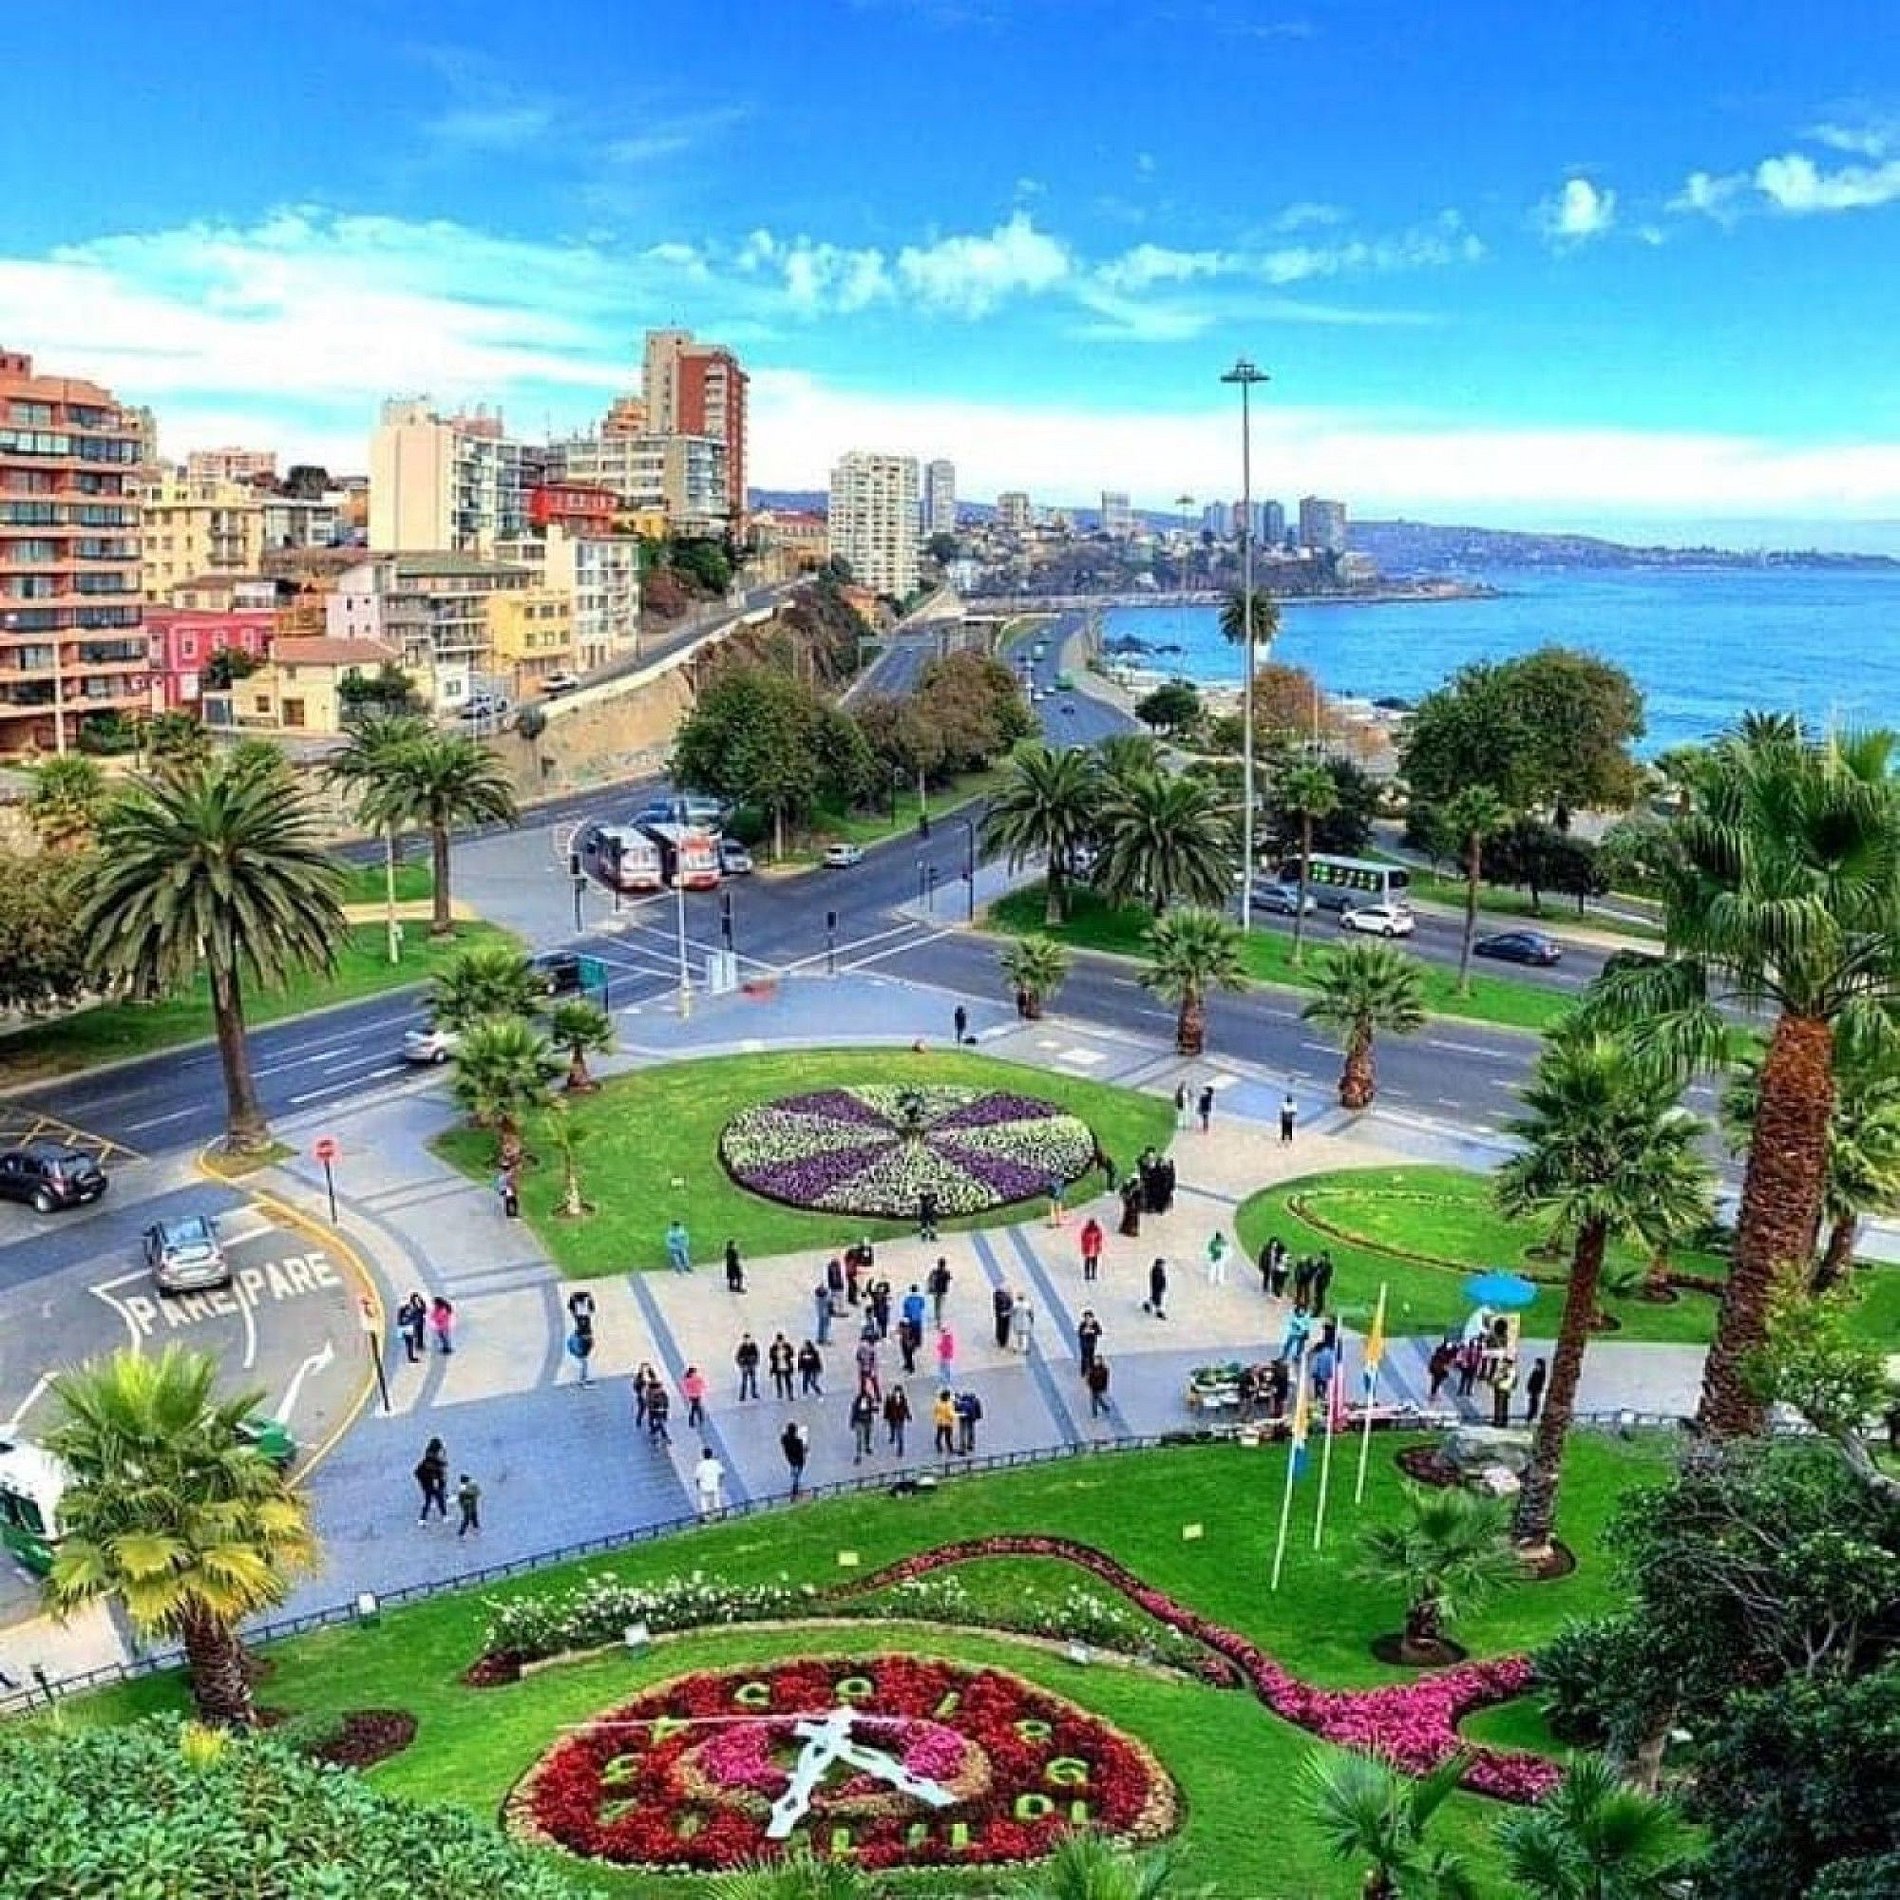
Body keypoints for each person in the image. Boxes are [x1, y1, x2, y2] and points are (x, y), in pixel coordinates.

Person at [414, 1437, 449, 1523]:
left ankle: (422, 1519)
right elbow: (437, 1471)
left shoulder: (427, 1459)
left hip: (426, 1485)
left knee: (428, 1501)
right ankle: (444, 1516)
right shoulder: (433, 1463)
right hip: (433, 1485)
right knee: (440, 1500)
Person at [694, 1446, 726, 1518]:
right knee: (716, 1502)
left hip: (704, 1487)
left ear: (703, 1455)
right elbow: (722, 1473)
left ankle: (706, 1517)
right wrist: (720, 1482)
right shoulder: (715, 1463)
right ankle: (718, 1515)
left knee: (704, 1503)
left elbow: (697, 1477)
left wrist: (698, 1486)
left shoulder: (700, 1465)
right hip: (714, 1485)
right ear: (711, 1454)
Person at [780, 1420, 809, 1497]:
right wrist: (805, 1449)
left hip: (791, 1459)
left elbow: (783, 1438)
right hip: (799, 1460)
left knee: (794, 1471)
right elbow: (803, 1451)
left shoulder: (784, 1438)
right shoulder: (798, 1441)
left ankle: (795, 1485)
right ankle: (795, 1489)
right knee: (797, 1474)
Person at [849, 1387, 878, 1463]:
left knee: (867, 1435)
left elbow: (871, 1408)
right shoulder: (857, 1402)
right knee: (859, 1438)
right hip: (859, 1421)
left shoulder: (869, 1400)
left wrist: (874, 1409)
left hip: (868, 1420)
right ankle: (858, 1455)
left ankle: (867, 1447)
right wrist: (852, 1422)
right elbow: (854, 1412)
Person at [397, 1292, 428, 1364]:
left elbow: (424, 1311)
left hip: (413, 1325)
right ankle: (411, 1357)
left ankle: (414, 1352)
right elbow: (401, 1318)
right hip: (409, 1326)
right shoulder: (409, 1308)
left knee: (413, 1340)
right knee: (409, 1342)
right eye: (415, 1299)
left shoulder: (416, 1307)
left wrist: (421, 1302)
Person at [884, 1384, 912, 1456]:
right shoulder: (889, 1398)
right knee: (892, 1428)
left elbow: (905, 1407)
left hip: (900, 1419)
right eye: (896, 1391)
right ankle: (892, 1437)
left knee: (900, 1435)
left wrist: (908, 1415)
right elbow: (886, 1408)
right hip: (892, 1418)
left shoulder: (903, 1398)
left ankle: (900, 1450)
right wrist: (886, 1417)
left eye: (899, 1391)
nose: (898, 1393)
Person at [1491, 1357, 1517, 1429]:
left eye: (1504, 1362)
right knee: (1503, 1407)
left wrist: (1495, 1380)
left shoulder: (1506, 1371)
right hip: (1504, 1390)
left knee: (1499, 1407)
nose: (1503, 1364)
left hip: (1502, 1389)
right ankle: (1503, 1421)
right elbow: (1515, 1382)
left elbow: (1499, 1378)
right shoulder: (1512, 1371)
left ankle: (1498, 1421)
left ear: (1508, 1364)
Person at [1309, 1339, 1337, 1406]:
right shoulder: (1331, 1352)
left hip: (1318, 1375)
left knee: (1317, 1389)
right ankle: (1323, 1398)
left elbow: (1316, 1365)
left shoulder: (1318, 1354)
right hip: (1326, 1375)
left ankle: (1318, 1400)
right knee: (1324, 1388)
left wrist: (1313, 1374)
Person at [955, 1388, 982, 1455]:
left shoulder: (961, 1401)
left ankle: (962, 1446)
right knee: (971, 1430)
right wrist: (978, 1417)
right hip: (971, 1417)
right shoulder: (975, 1400)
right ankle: (970, 1444)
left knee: (962, 1432)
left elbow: (956, 1409)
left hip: (962, 1418)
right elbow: (978, 1409)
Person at [1427, 1339, 1456, 1404]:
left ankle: (1434, 1394)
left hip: (1440, 1369)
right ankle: (1433, 1395)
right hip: (1438, 1369)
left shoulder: (1443, 1351)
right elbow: (1435, 1360)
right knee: (1436, 1382)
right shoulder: (1441, 1352)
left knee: (1437, 1382)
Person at [769, 1333, 795, 1402]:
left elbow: (792, 1354)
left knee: (788, 1381)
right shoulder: (774, 1346)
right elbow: (771, 1356)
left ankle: (790, 1394)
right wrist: (776, 1355)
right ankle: (780, 1392)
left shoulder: (787, 1345)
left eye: (780, 1340)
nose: (780, 1342)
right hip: (777, 1366)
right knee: (778, 1380)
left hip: (786, 1365)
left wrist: (786, 1353)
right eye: (778, 1341)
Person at [854, 1333, 881, 1401]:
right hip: (871, 1368)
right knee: (874, 1382)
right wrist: (874, 1368)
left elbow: (858, 1357)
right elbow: (873, 1359)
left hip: (863, 1368)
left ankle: (863, 1394)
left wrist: (862, 1362)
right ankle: (878, 1396)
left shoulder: (861, 1347)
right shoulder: (872, 1348)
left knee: (863, 1382)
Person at [1078, 1215, 1104, 1283]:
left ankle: (1088, 1275)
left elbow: (1083, 1239)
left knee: (1088, 1263)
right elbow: (1099, 1239)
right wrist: (1099, 1247)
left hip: (1088, 1249)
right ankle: (1093, 1275)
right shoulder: (1097, 1230)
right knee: (1093, 1263)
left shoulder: (1086, 1230)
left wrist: (1083, 1247)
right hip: (1094, 1249)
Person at [455, 1471, 482, 1537]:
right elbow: (461, 1497)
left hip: (470, 1504)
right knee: (468, 1519)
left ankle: (474, 1530)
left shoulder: (471, 1484)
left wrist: (468, 1494)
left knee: (472, 1518)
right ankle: (462, 1533)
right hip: (467, 1504)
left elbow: (478, 1493)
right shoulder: (463, 1486)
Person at [927, 1257, 952, 1329]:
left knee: (937, 1307)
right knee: (939, 1307)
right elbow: (949, 1280)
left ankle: (938, 1321)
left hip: (937, 1292)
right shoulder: (946, 1272)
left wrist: (930, 1288)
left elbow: (930, 1279)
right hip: (942, 1292)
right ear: (944, 1264)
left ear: (938, 1264)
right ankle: (938, 1321)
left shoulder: (935, 1272)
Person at [735, 1331, 761, 1401]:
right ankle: (742, 1396)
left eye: (747, 1338)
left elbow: (757, 1355)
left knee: (753, 1381)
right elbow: (737, 1357)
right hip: (745, 1366)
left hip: (751, 1366)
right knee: (744, 1381)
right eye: (745, 1339)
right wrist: (741, 1365)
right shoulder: (742, 1347)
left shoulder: (753, 1346)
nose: (746, 1340)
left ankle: (753, 1393)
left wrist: (755, 1363)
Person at [1077, 1309, 1103, 1376]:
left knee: (1091, 1356)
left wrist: (1093, 1331)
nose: (1087, 1319)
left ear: (1092, 1317)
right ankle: (1083, 1371)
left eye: (1089, 1317)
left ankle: (1091, 1370)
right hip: (1084, 1343)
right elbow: (1079, 1333)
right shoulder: (1083, 1324)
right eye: (1086, 1318)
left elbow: (1099, 1332)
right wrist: (1084, 1332)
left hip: (1092, 1343)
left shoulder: (1095, 1324)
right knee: (1084, 1357)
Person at [682, 1364, 707, 1429]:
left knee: (694, 1407)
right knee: (697, 1407)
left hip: (692, 1395)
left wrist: (687, 1394)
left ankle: (693, 1421)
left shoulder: (686, 1379)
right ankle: (700, 1419)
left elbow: (685, 1388)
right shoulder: (696, 1378)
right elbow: (703, 1384)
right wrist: (702, 1390)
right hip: (696, 1394)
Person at [932, 1388, 957, 1456]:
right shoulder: (949, 1404)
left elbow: (935, 1411)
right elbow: (950, 1413)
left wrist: (936, 1418)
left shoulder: (938, 1402)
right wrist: (956, 1415)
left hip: (940, 1422)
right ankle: (950, 1449)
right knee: (948, 1436)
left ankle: (939, 1447)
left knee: (939, 1435)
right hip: (948, 1422)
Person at [1524, 1356, 1548, 1422]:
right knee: (1532, 1402)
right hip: (1533, 1390)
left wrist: (1538, 1389)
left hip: (1536, 1390)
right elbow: (1531, 1380)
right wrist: (1529, 1387)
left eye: (1537, 1364)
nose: (1536, 1365)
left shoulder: (1541, 1373)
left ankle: (1532, 1415)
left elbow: (1540, 1382)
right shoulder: (1535, 1371)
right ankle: (1531, 1415)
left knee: (1535, 1403)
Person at [992, 1283, 1014, 1349]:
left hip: (1000, 1314)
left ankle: (1000, 1340)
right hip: (1005, 1315)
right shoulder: (1007, 1298)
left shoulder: (997, 1295)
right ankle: (1003, 1342)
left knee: (999, 1327)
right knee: (1004, 1328)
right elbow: (1010, 1305)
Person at [813, 1280, 834, 1346]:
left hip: (822, 1313)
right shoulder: (825, 1297)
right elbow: (830, 1303)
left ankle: (821, 1338)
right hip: (825, 1313)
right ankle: (824, 1339)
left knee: (822, 1326)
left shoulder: (819, 1297)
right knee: (825, 1327)